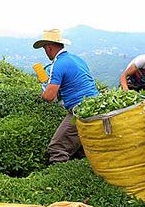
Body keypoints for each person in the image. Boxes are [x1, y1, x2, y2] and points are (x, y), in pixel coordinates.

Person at [33, 28, 99, 163]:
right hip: (95, 105)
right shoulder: (77, 59)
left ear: (49, 47)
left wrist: (44, 90)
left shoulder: (58, 65)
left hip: (81, 110)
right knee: (81, 148)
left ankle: (56, 180)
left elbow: (49, 97)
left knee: (57, 147)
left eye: (44, 49)